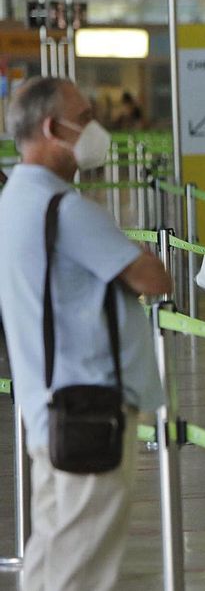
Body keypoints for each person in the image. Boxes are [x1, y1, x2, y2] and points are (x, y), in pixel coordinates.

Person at [0, 77, 171, 590]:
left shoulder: (12, 200)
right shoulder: (66, 210)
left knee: (53, 555)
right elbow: (154, 277)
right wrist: (136, 257)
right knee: (82, 567)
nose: (95, 128)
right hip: (90, 406)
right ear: (52, 128)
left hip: (47, 403)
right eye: (85, 117)